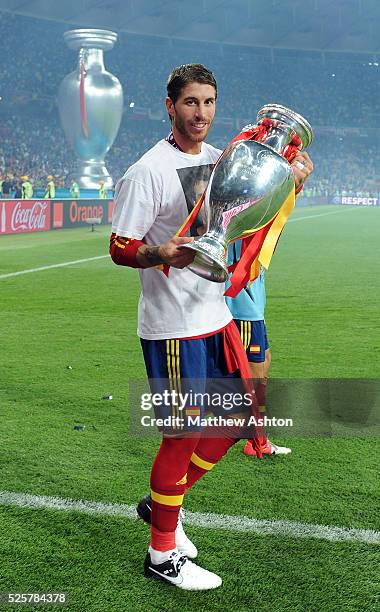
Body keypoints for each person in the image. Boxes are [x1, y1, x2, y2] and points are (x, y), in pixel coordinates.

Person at [110, 64, 313, 591]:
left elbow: (245, 227)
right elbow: (119, 246)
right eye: (191, 103)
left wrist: (288, 186)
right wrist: (162, 252)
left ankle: (160, 507)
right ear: (170, 105)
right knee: (181, 437)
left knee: (228, 428)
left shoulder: (226, 161)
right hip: (173, 325)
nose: (202, 113)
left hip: (216, 317)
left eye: (210, 103)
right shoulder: (147, 171)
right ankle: (162, 554)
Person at [225, 261, 291, 456]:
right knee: (251, 379)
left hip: (254, 303)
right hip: (241, 305)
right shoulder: (233, 229)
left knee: (265, 361)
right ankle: (257, 441)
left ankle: (255, 438)